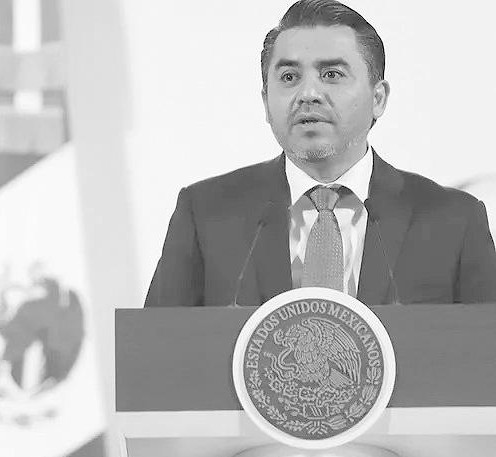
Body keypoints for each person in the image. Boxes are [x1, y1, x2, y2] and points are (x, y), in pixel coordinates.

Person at [145, 0, 496, 307]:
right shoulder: (205, 214)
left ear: (378, 98)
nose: (308, 93)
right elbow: (156, 350)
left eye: (331, 74)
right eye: (289, 77)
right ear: (266, 101)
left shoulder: (454, 220)